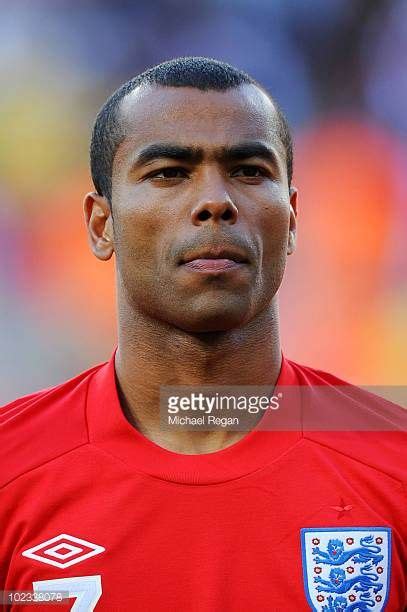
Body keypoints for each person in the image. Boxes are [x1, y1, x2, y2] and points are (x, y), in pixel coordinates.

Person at [0, 57, 405, 612]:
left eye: (249, 171)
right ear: (102, 224)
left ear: (291, 220)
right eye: (169, 172)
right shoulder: (12, 468)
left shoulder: (394, 464)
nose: (217, 202)